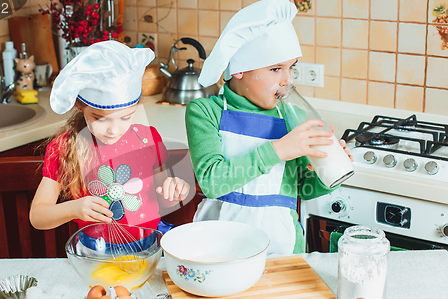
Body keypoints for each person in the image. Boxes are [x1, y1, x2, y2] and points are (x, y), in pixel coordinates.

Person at [185, 0, 353, 255]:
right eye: (276, 69)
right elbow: (212, 181)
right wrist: (278, 149)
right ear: (239, 69)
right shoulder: (205, 112)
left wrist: (324, 173)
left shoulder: (291, 117)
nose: (287, 80)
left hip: (283, 249)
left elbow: (303, 190)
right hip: (218, 249)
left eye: (291, 68)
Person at [30, 41, 190, 236]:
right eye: (100, 119)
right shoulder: (65, 146)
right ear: (80, 106)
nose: (114, 129)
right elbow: (37, 216)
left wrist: (174, 192)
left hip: (147, 248)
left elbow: (162, 199)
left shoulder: (148, 139)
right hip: (96, 255)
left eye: (126, 117)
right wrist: (73, 209)